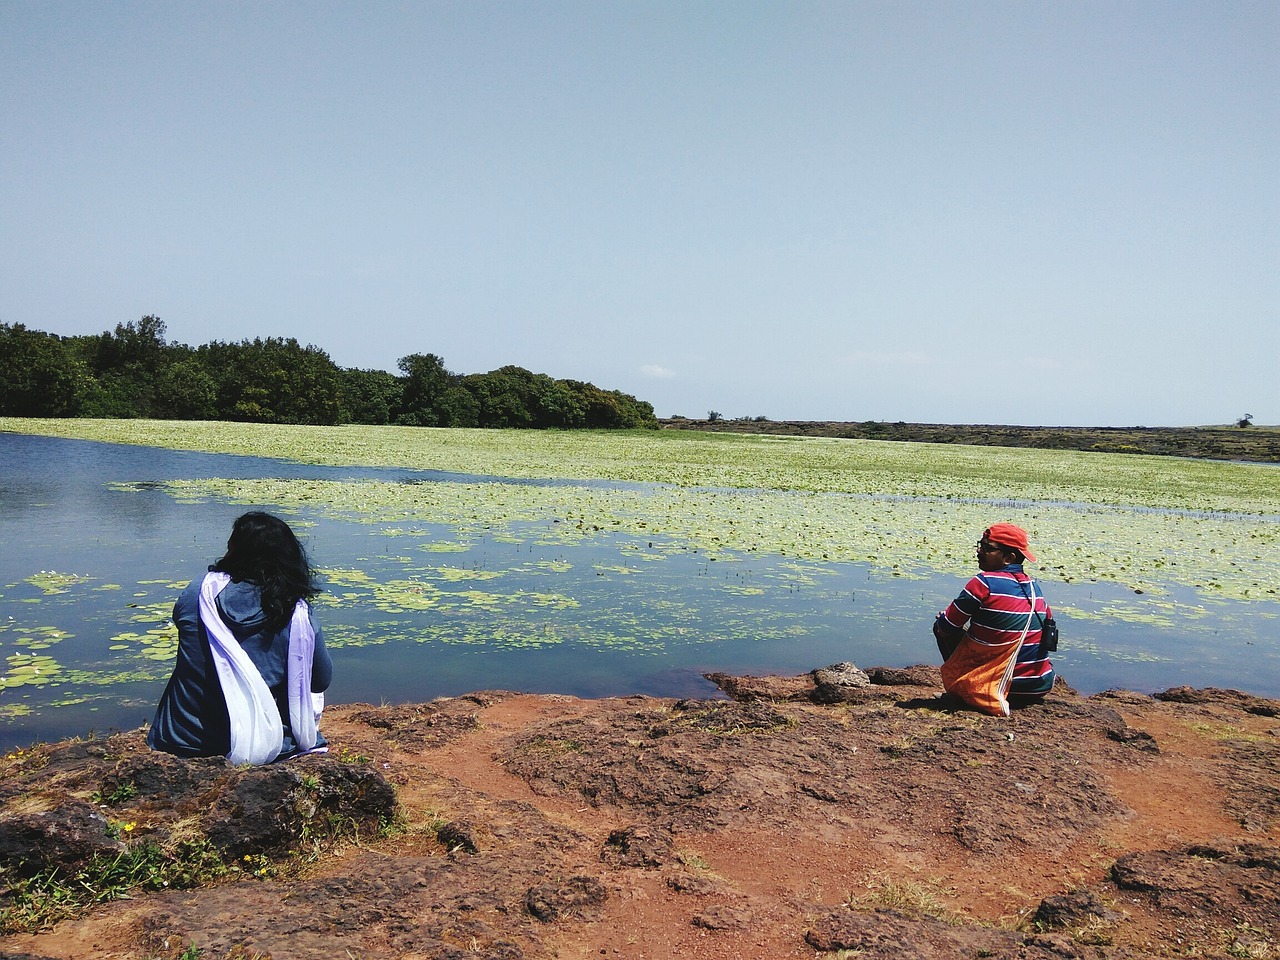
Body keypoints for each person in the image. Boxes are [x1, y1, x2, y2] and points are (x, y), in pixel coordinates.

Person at [148, 511, 333, 763]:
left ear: (232, 550)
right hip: (266, 746)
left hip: (182, 739)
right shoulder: (297, 613)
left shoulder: (197, 593)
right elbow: (319, 681)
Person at [932, 523, 1055, 716]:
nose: (979, 552)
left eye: (988, 548)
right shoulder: (1034, 587)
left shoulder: (983, 582)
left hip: (1007, 686)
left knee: (940, 624)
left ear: (1009, 558)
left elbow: (947, 626)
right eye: (980, 545)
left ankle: (963, 689)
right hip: (1039, 684)